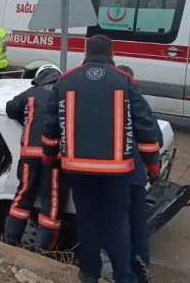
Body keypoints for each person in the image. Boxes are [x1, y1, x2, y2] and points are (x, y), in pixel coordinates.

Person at [40, 34, 161, 283]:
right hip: (117, 171)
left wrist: (50, 158)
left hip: (77, 168)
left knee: (87, 221)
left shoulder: (65, 81)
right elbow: (145, 126)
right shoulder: (124, 80)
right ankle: (124, 277)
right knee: (118, 223)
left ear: (85, 54)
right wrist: (152, 162)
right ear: (112, 55)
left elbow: (50, 127)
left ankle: (89, 273)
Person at [3, 64, 67, 252]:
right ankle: (43, 247)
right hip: (54, 155)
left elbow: (11, 108)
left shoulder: (31, 92)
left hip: (29, 154)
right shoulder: (65, 92)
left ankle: (10, 238)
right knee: (52, 201)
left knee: (23, 195)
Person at [116, 65, 163, 282]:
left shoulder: (108, 103)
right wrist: (151, 166)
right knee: (137, 226)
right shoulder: (140, 103)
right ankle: (142, 273)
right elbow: (155, 140)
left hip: (117, 178)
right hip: (136, 177)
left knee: (121, 226)